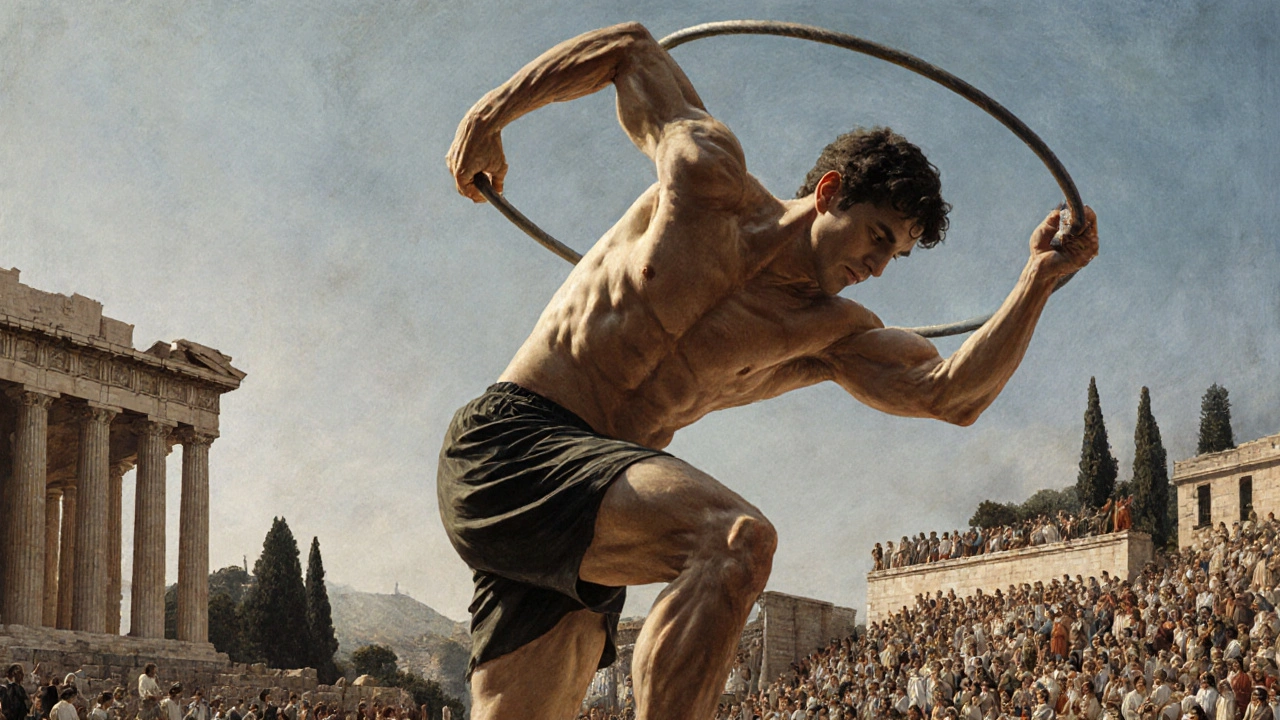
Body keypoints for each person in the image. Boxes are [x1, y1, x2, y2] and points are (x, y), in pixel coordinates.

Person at [444, 20, 1098, 720]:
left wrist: (1037, 281)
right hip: (512, 442)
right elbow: (629, 49)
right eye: (878, 236)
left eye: (896, 256)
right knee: (733, 540)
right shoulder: (708, 179)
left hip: (600, 495)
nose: (877, 267)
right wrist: (490, 115)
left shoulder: (831, 333)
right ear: (828, 191)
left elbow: (952, 396)